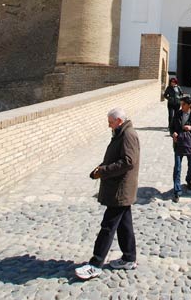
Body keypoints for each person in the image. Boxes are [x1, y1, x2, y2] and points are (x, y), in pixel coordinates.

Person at [75, 108, 140, 280]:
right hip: (120, 188)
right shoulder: (121, 132)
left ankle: (95, 264)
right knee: (125, 226)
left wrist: (103, 170)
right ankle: (129, 258)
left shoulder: (128, 135)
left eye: (110, 122)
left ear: (119, 120)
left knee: (108, 226)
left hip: (121, 189)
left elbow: (128, 162)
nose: (108, 125)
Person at [169, 97, 191, 202]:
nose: (181, 106)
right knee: (177, 167)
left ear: (189, 105)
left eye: (183, 104)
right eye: (181, 104)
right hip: (179, 143)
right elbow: (172, 127)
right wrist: (173, 133)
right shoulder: (178, 114)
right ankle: (177, 191)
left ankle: (188, 180)